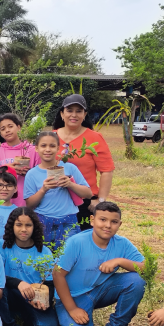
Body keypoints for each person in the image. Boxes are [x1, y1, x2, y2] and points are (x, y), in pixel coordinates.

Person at [52, 202, 145, 326]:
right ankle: (63, 314)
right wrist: (72, 309)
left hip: (101, 290)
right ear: (92, 220)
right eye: (102, 219)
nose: (108, 225)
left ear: (119, 224)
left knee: (137, 281)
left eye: (114, 222)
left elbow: (146, 268)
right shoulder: (76, 242)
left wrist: (119, 261)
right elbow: (57, 274)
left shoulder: (122, 243)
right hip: (73, 296)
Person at [0, 208, 59, 326]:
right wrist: (18, 283)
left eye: (28, 225)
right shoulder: (2, 246)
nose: (24, 229)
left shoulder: (44, 251)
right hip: (10, 294)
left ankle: (27, 316)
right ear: (11, 226)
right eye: (18, 225)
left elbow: (49, 283)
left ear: (35, 227)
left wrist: (45, 300)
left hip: (33, 297)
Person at [53, 94, 115, 230]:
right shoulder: (51, 137)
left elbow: (107, 171)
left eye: (78, 111)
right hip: (54, 198)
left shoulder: (94, 138)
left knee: (82, 239)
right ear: (62, 114)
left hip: (84, 200)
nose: (73, 115)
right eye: (69, 110)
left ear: (85, 114)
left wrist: (100, 200)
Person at [24, 132, 93, 249]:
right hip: (42, 221)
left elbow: (88, 193)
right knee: (44, 256)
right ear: (36, 149)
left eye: (52, 146)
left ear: (58, 148)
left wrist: (70, 184)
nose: (47, 149)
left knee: (67, 255)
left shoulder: (69, 167)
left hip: (68, 220)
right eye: (43, 145)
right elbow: (30, 204)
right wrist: (43, 189)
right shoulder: (32, 174)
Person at [0, 113, 39, 207]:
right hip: (1, 204)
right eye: (3, 129)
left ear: (19, 127)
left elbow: (41, 175)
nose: (7, 130)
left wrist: (30, 173)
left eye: (10, 126)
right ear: (0, 133)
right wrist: (5, 169)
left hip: (25, 202)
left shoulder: (32, 150)